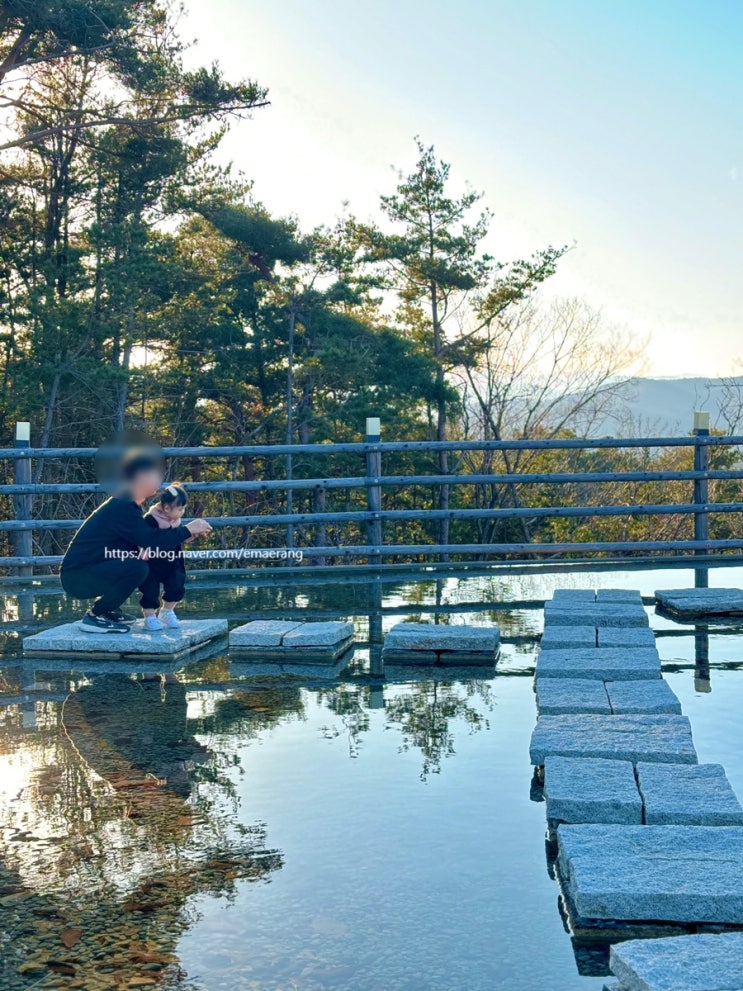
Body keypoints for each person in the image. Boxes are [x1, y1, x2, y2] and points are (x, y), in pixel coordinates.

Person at [60, 452, 212, 633]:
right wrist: (187, 529)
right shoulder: (123, 506)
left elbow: (145, 539)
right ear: (140, 476)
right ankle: (95, 616)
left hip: (88, 571)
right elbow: (150, 541)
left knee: (139, 565)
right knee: (138, 568)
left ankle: (107, 610)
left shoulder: (127, 504)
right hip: (78, 577)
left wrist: (181, 535)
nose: (160, 480)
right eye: (156, 475)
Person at [139, 482, 190, 631]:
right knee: (150, 590)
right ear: (167, 508)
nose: (182, 512)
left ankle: (167, 612)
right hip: (152, 563)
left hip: (173, 561)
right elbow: (141, 537)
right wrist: (141, 549)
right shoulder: (150, 519)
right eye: (180, 508)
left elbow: (177, 538)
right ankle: (149, 617)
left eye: (184, 508)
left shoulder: (176, 521)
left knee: (177, 585)